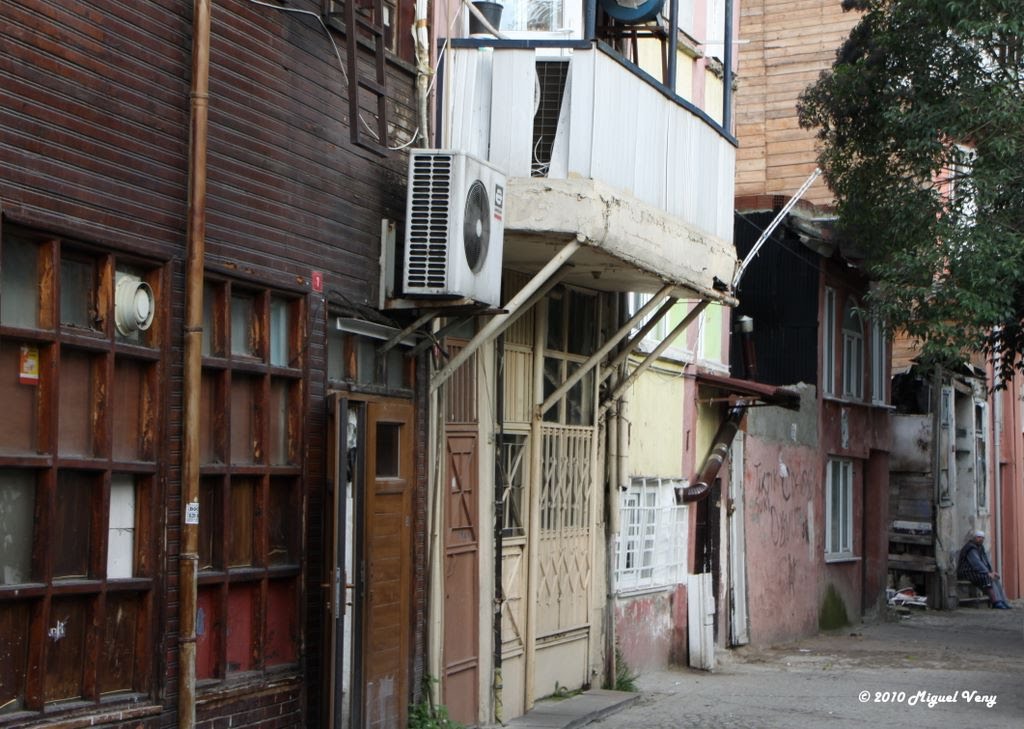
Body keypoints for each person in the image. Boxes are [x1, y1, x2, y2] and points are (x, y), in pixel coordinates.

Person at [957, 530, 1011, 609]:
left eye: (982, 538)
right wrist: (987, 573)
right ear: (974, 538)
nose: (980, 539)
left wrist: (991, 571)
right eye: (979, 537)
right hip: (967, 571)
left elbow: (985, 561)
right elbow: (976, 563)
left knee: (995, 578)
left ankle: (1002, 600)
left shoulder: (980, 548)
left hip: (976, 571)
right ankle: (995, 602)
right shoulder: (971, 548)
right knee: (987, 578)